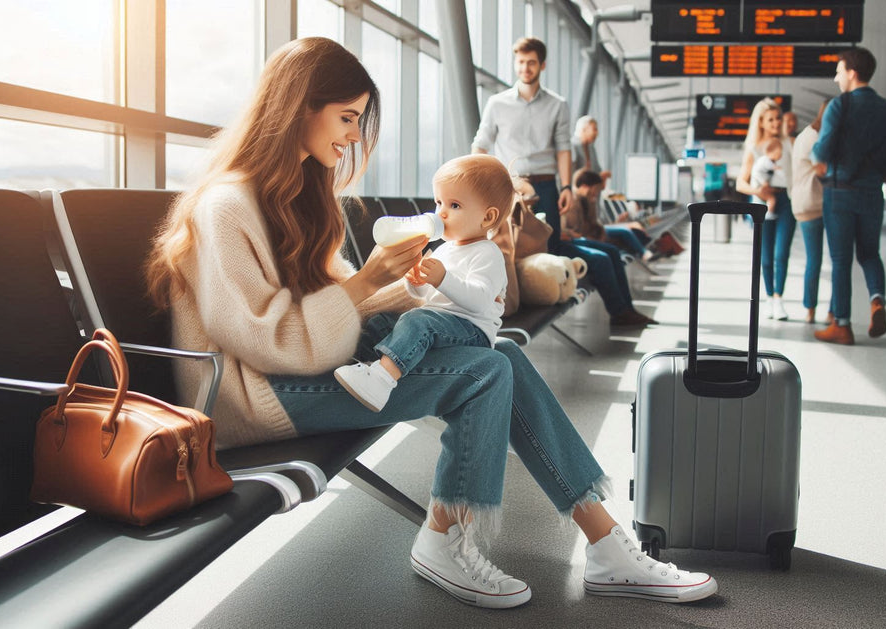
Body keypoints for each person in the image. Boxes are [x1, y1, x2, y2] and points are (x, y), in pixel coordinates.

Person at [145, 37, 717, 610]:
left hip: (303, 364)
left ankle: (606, 546)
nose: (351, 136)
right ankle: (445, 541)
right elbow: (277, 341)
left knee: (502, 357)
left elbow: (346, 304)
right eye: (346, 118)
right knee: (485, 373)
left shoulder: (294, 196)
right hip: (253, 396)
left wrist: (432, 288)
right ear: (298, 106)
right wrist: (370, 283)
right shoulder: (226, 208)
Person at [474, 37, 655, 327]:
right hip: (512, 189)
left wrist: (567, 186)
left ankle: (622, 312)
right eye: (521, 62)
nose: (525, 68)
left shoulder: (557, 105)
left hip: (547, 187)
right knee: (559, 249)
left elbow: (562, 148)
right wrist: (482, 181)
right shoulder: (497, 104)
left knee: (560, 245)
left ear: (542, 65)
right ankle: (621, 311)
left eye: (531, 62)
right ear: (515, 64)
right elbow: (480, 144)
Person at [334, 154, 514, 412]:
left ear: (487, 218)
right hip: (441, 323)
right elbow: (426, 296)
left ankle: (382, 381)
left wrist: (443, 279)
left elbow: (480, 301)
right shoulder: (444, 249)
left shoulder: (488, 253)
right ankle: (360, 368)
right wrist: (415, 282)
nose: (440, 212)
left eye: (454, 205)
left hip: (471, 331)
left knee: (418, 321)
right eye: (438, 201)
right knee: (382, 322)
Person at [811, 47, 886, 345]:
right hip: (872, 193)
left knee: (840, 260)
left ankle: (841, 324)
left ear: (852, 73)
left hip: (840, 192)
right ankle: (877, 299)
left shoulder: (840, 106)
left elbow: (822, 150)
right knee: (869, 253)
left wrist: (819, 155)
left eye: (839, 70)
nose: (836, 76)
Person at [735, 97, 796, 321]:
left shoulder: (789, 144)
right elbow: (740, 182)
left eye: (778, 118)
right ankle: (770, 297)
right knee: (766, 255)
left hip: (786, 200)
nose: (775, 123)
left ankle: (779, 298)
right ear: (760, 122)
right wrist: (758, 191)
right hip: (761, 202)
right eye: (770, 119)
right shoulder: (753, 149)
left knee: (782, 253)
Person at [791, 99, 832, 324]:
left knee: (813, 259)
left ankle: (810, 309)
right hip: (818, 202)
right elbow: (823, 168)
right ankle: (831, 312)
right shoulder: (819, 137)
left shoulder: (804, 135)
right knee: (834, 259)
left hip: (803, 202)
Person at [568, 168, 658, 263]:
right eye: (595, 189)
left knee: (623, 235)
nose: (596, 193)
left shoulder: (590, 201)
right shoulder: (574, 203)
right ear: (585, 186)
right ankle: (634, 254)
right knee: (620, 238)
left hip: (590, 233)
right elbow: (577, 230)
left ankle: (633, 254)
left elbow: (593, 223)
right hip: (582, 237)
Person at [751, 138, 788, 218]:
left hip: (762, 185)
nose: (780, 155)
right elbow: (758, 173)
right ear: (770, 151)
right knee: (771, 199)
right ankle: (768, 213)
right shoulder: (766, 161)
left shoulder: (767, 161)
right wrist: (764, 182)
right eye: (779, 152)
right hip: (758, 185)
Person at [572, 115, 611, 186]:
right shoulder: (572, 146)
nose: (597, 133)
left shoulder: (591, 148)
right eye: (594, 129)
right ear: (584, 129)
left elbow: (596, 170)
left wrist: (601, 175)